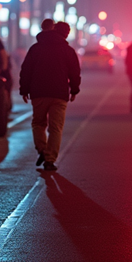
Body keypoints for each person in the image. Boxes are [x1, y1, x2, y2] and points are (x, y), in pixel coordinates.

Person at [19, 19, 81, 171]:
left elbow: (26, 70)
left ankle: (42, 149)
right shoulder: (67, 50)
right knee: (56, 128)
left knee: (38, 123)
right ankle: (50, 159)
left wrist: (24, 90)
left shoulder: (35, 49)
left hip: (38, 93)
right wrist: (74, 90)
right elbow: (74, 72)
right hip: (59, 93)